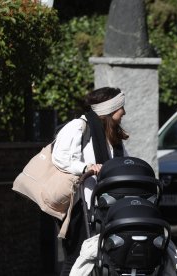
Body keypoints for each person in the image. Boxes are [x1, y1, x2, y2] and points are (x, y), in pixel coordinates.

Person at [52, 87, 129, 276]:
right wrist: (86, 167)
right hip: (80, 205)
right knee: (76, 258)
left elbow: (124, 162)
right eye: (121, 108)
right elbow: (60, 158)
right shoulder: (78, 127)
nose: (124, 112)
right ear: (109, 110)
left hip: (105, 206)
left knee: (103, 257)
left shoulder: (111, 135)